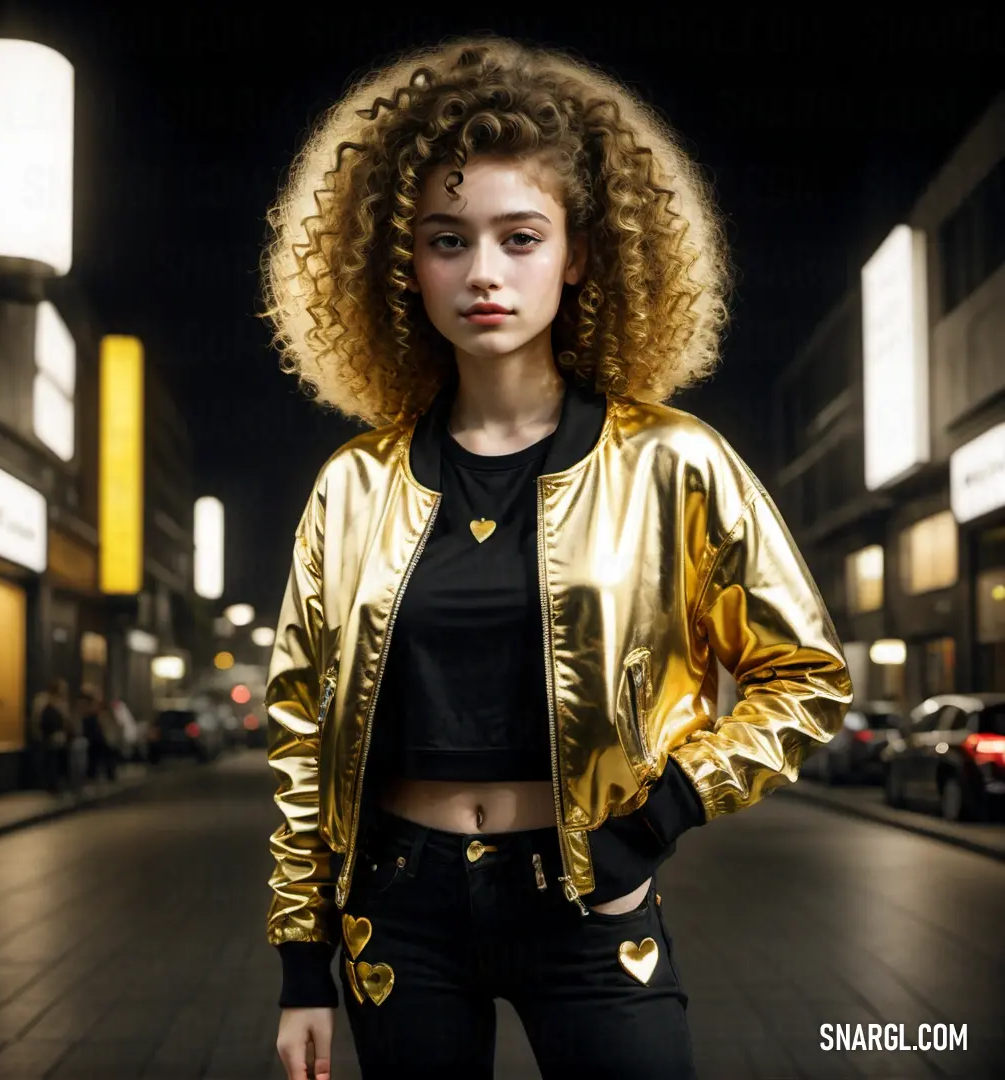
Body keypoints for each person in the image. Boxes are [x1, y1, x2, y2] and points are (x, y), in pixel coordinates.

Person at [259, 36, 852, 1080]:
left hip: (589, 903)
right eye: (448, 241)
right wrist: (302, 967)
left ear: (579, 252)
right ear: (407, 262)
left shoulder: (673, 463)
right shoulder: (353, 487)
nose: (483, 272)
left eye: (519, 236)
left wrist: (659, 818)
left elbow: (804, 678)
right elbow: (303, 733)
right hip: (396, 913)